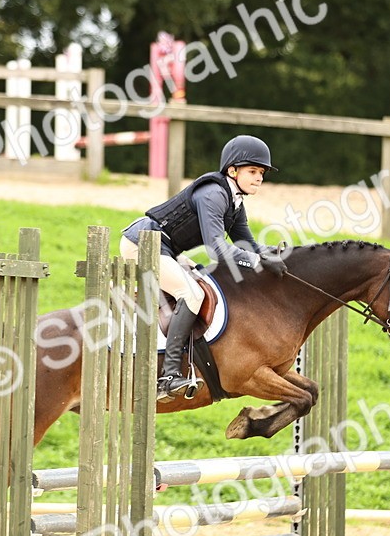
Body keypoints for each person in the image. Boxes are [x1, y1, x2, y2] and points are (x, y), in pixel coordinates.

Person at [120, 134, 287, 401]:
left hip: (166, 249)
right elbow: (217, 250)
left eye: (262, 173)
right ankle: (169, 375)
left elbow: (247, 244)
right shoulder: (214, 194)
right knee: (192, 294)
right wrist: (258, 261)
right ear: (232, 170)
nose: (259, 178)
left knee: (198, 282)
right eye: (253, 171)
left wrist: (275, 255)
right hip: (142, 243)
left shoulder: (235, 201)